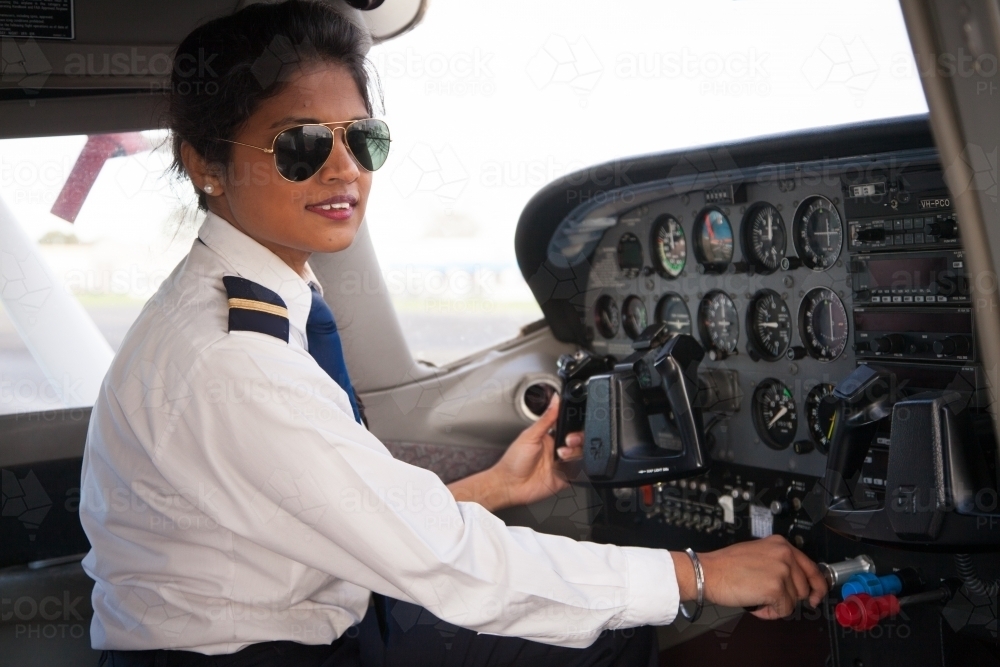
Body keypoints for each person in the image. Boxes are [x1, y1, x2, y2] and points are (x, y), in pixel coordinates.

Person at [79, 2, 828, 666]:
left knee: (602, 629)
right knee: (609, 635)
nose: (345, 171)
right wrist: (700, 573)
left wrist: (496, 486)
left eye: (361, 140)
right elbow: (445, 562)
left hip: (290, 617)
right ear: (205, 165)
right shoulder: (233, 358)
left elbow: (340, 510)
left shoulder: (252, 302)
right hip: (260, 650)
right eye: (300, 145)